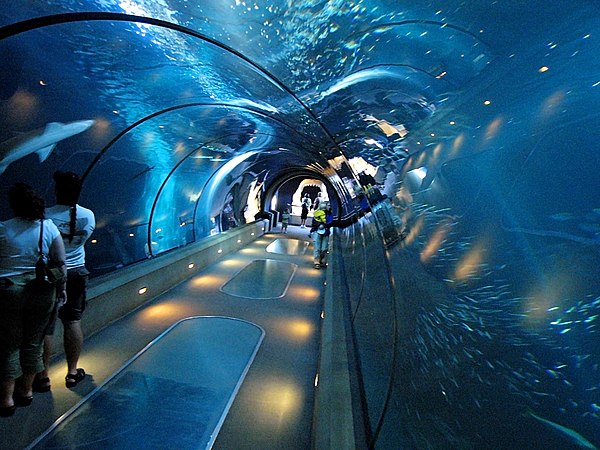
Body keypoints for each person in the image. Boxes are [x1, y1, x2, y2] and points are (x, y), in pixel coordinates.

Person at [0, 183, 66, 417]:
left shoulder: (3, 228)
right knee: (33, 342)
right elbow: (60, 261)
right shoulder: (48, 227)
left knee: (9, 345)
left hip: (9, 291)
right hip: (41, 290)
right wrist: (62, 289)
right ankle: (26, 391)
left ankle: (6, 399)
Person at [36, 171, 95, 391]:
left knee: (46, 327)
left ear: (57, 191)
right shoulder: (88, 215)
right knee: (72, 322)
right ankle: (72, 372)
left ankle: (43, 376)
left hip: (52, 275)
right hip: (77, 272)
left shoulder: (45, 215)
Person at [310, 202, 333, 269]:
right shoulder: (317, 212)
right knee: (317, 248)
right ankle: (316, 262)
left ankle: (320, 259)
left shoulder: (330, 214)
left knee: (324, 249)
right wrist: (319, 224)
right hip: (317, 231)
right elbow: (313, 222)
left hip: (326, 232)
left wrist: (324, 224)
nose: (329, 207)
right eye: (328, 205)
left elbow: (331, 222)